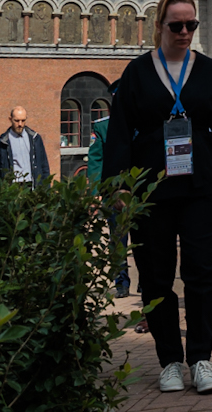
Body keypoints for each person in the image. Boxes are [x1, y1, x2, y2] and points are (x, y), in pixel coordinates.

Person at [103, 0, 212, 393]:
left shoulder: (207, 71)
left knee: (202, 269)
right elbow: (118, 135)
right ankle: (170, 360)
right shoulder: (136, 73)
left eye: (191, 26)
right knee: (155, 273)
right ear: (160, 27)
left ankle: (201, 357)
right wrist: (118, 185)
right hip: (152, 189)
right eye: (177, 26)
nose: (185, 33)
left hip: (202, 184)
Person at [85, 109, 130, 299]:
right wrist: (95, 193)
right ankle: (121, 282)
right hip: (115, 193)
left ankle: (147, 283)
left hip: (140, 192)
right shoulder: (103, 126)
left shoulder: (144, 120)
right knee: (118, 239)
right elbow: (96, 162)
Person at [0, 106, 51, 185]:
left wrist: (46, 188)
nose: (20, 124)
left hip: (32, 185)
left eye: (23, 120)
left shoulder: (36, 139)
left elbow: (44, 166)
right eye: (16, 121)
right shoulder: (1, 144)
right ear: (10, 119)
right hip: (13, 186)